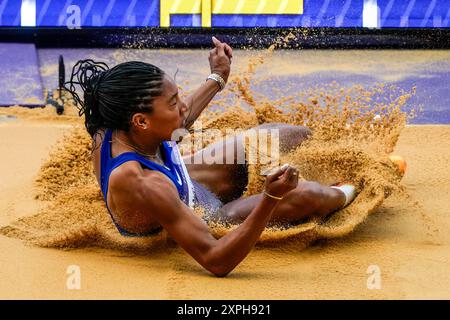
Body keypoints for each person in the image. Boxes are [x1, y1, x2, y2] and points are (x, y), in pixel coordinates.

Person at [65, 37, 356, 277]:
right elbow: (216, 261)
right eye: (173, 103)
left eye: (178, 97)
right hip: (199, 213)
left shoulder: (119, 122)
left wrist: (217, 77)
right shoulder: (142, 182)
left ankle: (345, 155)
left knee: (282, 134)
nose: (182, 106)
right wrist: (270, 197)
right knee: (308, 195)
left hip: (184, 177)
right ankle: (352, 187)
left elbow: (183, 115)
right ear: (141, 121)